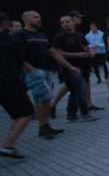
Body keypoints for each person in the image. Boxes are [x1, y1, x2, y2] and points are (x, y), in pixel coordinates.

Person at [17, 11, 71, 139]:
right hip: (34, 72)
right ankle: (42, 127)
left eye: (39, 17)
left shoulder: (41, 35)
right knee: (41, 99)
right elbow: (16, 54)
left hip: (45, 71)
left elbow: (53, 53)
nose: (39, 19)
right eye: (35, 17)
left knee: (46, 99)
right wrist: (31, 69)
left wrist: (69, 66)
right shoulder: (20, 35)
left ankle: (46, 126)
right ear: (26, 19)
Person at [0, 12, 33, 160]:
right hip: (9, 81)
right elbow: (21, 60)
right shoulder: (11, 40)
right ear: (5, 24)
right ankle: (7, 145)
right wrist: (34, 71)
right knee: (25, 112)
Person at [52, 15, 97, 122]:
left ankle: (71, 114)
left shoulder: (80, 35)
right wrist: (79, 55)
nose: (65, 24)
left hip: (82, 65)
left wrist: (90, 53)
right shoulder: (60, 37)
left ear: (73, 23)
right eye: (62, 23)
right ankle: (84, 113)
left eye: (67, 22)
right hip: (70, 66)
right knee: (80, 90)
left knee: (73, 91)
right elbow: (59, 53)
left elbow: (87, 46)